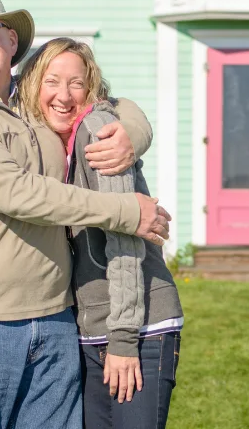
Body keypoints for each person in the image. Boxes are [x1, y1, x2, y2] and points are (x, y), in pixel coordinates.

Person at [0, 0, 171, 429]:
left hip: (54, 321)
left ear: (12, 41)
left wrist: (131, 132)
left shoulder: (34, 99)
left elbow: (112, 104)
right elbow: (16, 192)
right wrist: (128, 210)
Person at [17, 38, 183, 429]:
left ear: (91, 87)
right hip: (91, 328)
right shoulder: (47, 141)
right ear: (31, 85)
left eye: (76, 83)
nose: (63, 95)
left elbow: (124, 239)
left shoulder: (97, 134)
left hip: (138, 327)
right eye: (52, 81)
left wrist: (123, 339)